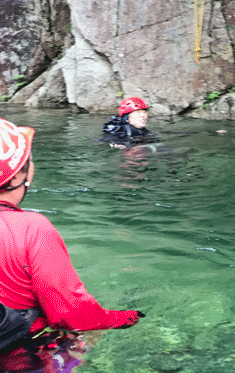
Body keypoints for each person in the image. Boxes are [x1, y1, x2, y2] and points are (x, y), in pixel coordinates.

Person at [0, 117, 143, 354]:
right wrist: (126, 318)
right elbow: (73, 315)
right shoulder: (31, 229)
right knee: (78, 345)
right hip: (22, 361)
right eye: (30, 160)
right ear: (16, 176)